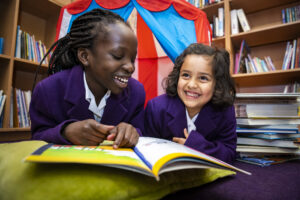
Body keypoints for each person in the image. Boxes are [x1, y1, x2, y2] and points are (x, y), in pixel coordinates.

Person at [30, 8, 145, 149]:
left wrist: (132, 133)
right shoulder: (48, 90)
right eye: (118, 56)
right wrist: (65, 132)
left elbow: (139, 131)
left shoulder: (136, 92)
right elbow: (37, 138)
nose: (130, 67)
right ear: (85, 56)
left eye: (132, 59)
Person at [144, 43, 237, 163]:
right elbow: (146, 149)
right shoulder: (156, 108)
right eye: (186, 75)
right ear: (177, 77)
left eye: (203, 78)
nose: (192, 84)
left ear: (217, 85)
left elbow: (229, 153)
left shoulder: (225, 110)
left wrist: (195, 144)